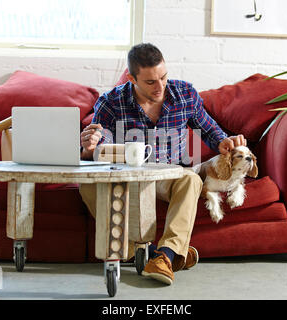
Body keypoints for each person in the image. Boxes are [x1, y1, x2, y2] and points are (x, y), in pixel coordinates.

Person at [79, 43, 246, 285]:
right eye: (150, 82)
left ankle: (165, 256)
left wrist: (224, 142)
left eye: (163, 77)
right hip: (129, 177)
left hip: (170, 174)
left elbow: (211, 131)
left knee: (191, 179)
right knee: (87, 186)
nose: (160, 87)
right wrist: (90, 146)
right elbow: (100, 145)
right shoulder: (111, 102)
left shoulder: (185, 94)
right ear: (131, 78)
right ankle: (150, 253)